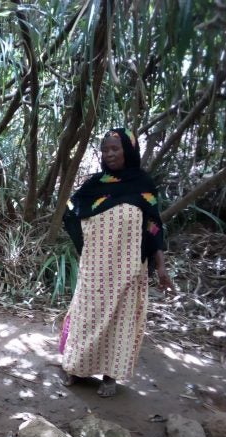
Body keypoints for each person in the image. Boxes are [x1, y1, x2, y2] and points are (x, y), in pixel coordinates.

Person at [59, 127, 174, 397]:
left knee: (120, 322)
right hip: (95, 268)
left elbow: (154, 227)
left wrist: (160, 267)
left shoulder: (143, 185)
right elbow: (71, 212)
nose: (109, 154)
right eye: (106, 150)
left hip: (128, 269)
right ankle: (75, 367)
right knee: (86, 316)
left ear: (129, 151)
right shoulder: (94, 186)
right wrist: (84, 247)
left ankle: (109, 377)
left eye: (115, 149)